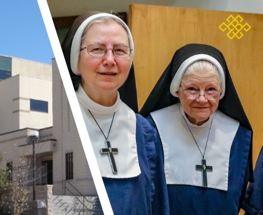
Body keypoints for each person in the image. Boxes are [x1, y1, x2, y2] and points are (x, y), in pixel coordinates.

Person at [61, 11, 168, 215]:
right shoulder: (62, 116)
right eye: (97, 49)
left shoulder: (145, 132)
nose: (110, 60)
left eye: (119, 50)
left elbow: (157, 207)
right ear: (76, 58)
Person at [140, 44, 253, 214]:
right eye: (192, 89)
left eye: (211, 90)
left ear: (221, 92)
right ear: (177, 90)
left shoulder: (238, 135)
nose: (202, 99)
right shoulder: (151, 129)